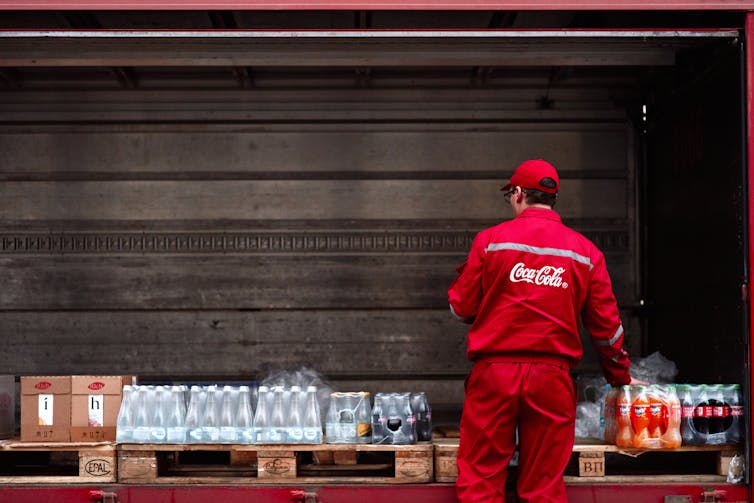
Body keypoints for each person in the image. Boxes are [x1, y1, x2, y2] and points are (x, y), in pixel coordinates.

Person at [447, 159, 644, 502]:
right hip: (551, 380)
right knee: (543, 486)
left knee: (480, 479)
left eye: (510, 194)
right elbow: (607, 328)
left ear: (520, 193)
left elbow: (459, 307)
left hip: (495, 376)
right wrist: (620, 376)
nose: (510, 200)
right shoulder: (586, 253)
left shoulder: (490, 242)